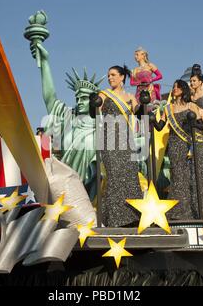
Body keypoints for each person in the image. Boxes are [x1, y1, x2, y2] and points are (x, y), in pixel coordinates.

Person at [30, 42, 101, 200]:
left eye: (84, 98)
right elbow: (50, 97)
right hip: (69, 188)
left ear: (94, 100)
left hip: (94, 194)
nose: (79, 101)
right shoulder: (68, 116)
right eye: (77, 98)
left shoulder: (101, 124)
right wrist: (45, 63)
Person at [89, 65, 144, 227]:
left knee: (130, 175)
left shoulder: (130, 97)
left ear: (122, 77)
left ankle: (132, 218)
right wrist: (92, 103)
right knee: (114, 176)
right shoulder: (104, 94)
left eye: (113, 75)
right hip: (109, 140)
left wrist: (147, 104)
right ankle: (113, 218)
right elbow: (95, 112)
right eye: (108, 75)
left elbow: (139, 112)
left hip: (127, 141)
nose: (110, 78)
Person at [152, 80, 203, 220]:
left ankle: (193, 208)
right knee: (177, 174)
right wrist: (152, 120)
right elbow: (160, 126)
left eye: (178, 87)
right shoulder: (168, 108)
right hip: (174, 144)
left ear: (184, 89)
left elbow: (200, 124)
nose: (175, 89)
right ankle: (177, 210)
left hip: (189, 144)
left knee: (190, 174)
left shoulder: (192, 106)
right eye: (173, 87)